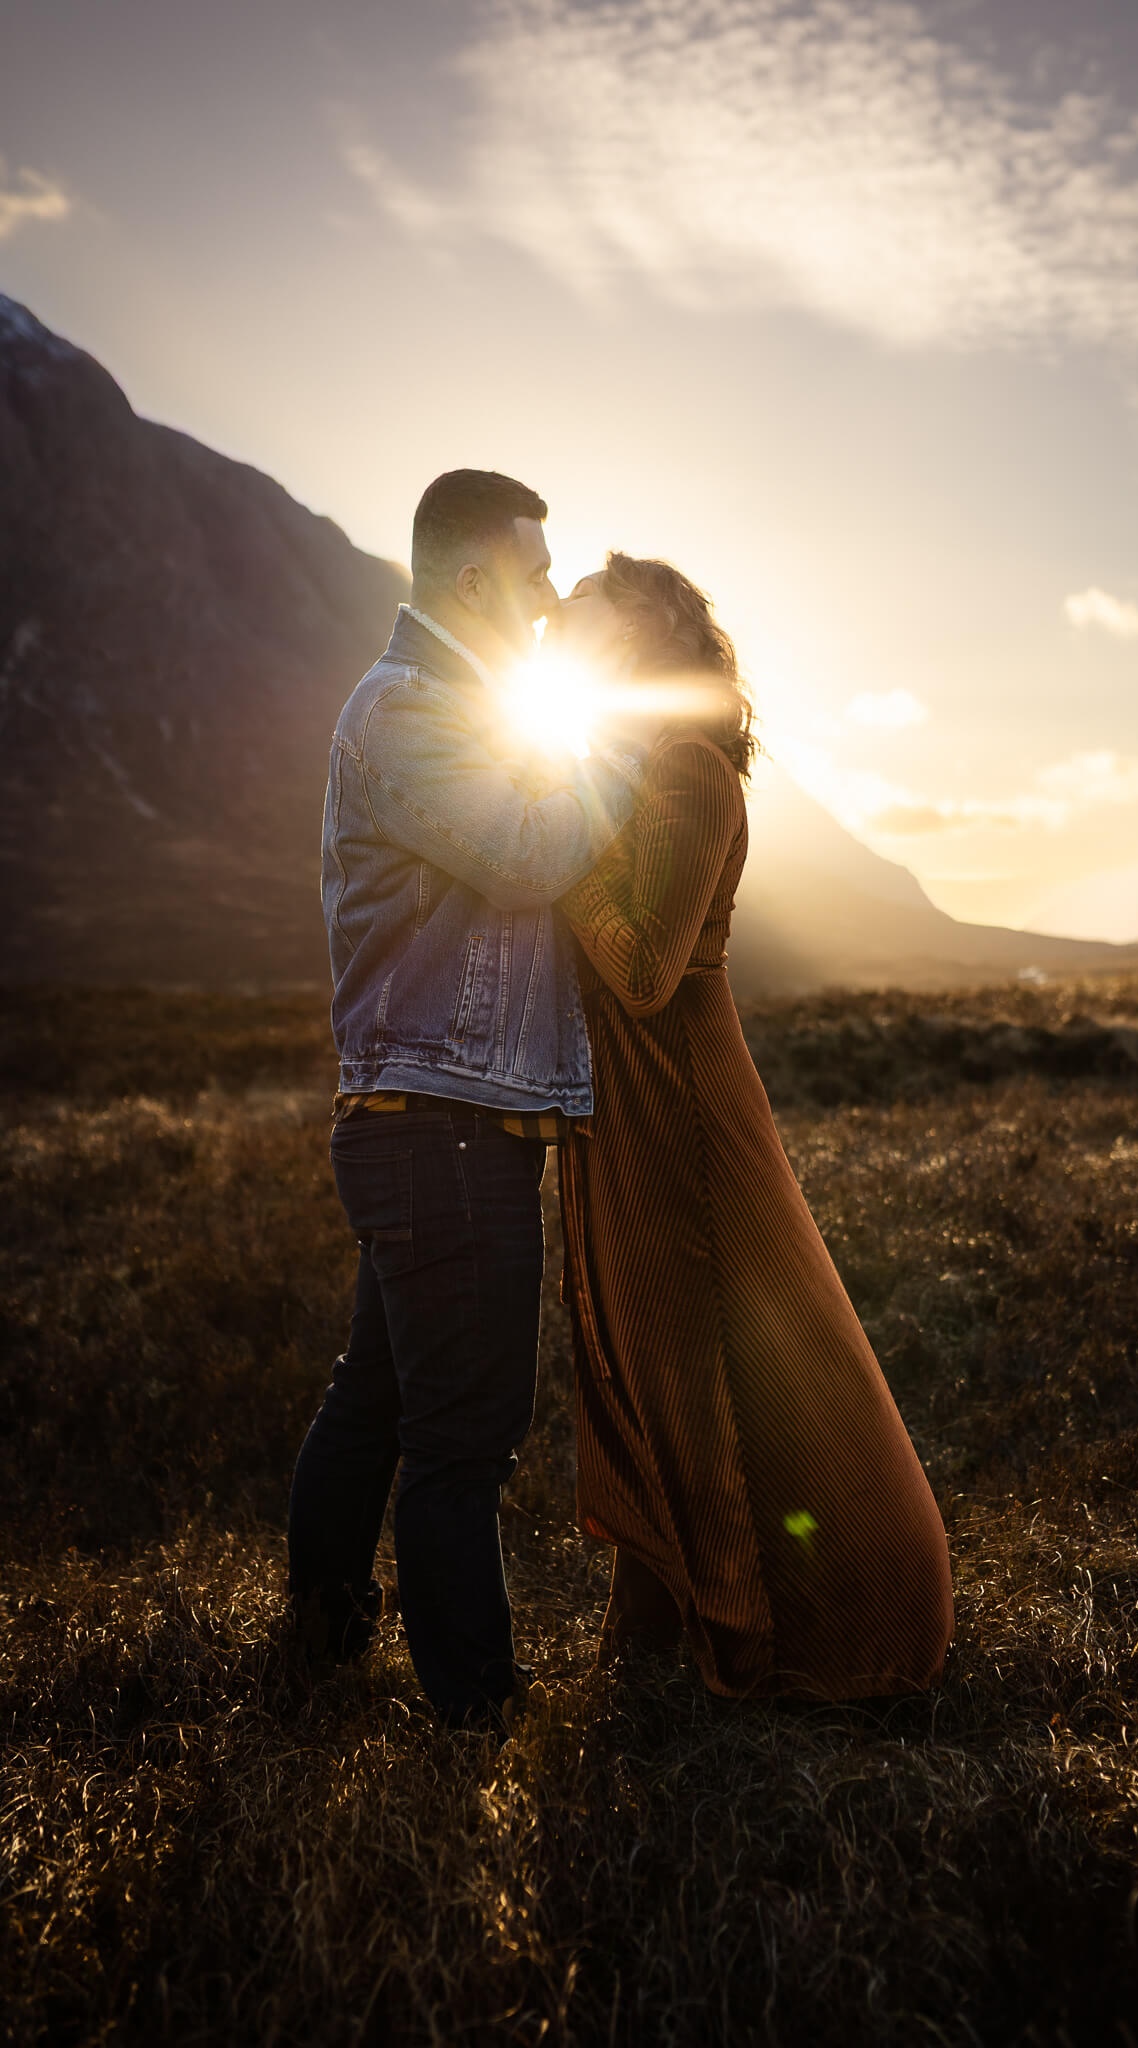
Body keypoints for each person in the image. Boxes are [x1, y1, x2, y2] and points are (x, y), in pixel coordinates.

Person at [552, 554, 953, 1699]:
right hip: (621, 1104)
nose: (560, 611)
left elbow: (640, 969)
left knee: (705, 1354)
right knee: (644, 1353)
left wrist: (564, 823)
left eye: (583, 594)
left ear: (642, 627)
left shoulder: (684, 764)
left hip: (679, 1098)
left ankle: (789, 1625)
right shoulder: (621, 760)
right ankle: (653, 1624)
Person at [287, 471, 650, 1733]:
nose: (550, 600)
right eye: (537, 574)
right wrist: (615, 738)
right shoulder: (406, 714)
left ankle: (320, 1644)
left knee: (377, 1398)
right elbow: (534, 851)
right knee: (464, 1441)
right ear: (476, 580)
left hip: (438, 1120)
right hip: (442, 1128)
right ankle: (476, 1715)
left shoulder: (458, 709)